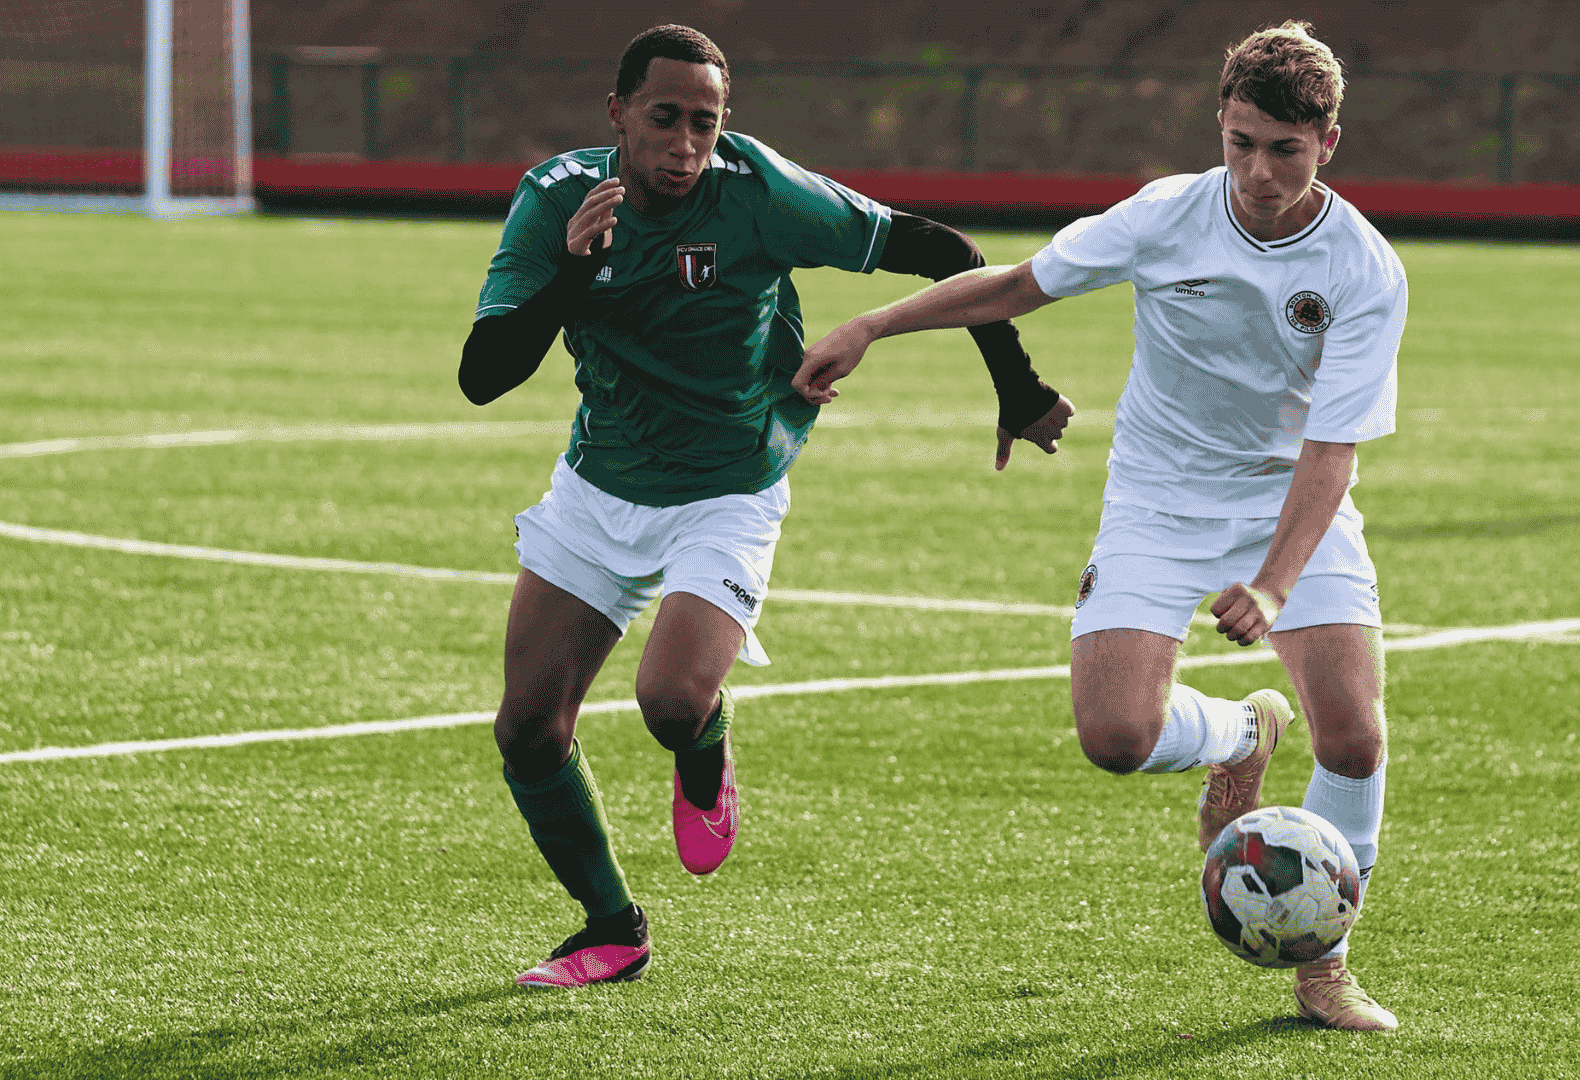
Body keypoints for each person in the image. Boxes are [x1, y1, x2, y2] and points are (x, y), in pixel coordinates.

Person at [795, 22, 1404, 1032]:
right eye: (1242, 142)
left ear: (1328, 142)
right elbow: (1018, 283)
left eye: (1284, 150)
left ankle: (1324, 964)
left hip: (1282, 499)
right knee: (1116, 738)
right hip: (1158, 498)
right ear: (1222, 123)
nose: (1258, 170)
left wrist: (1274, 585)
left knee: (1354, 733)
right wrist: (872, 326)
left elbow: (1331, 454)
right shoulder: (1167, 213)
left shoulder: (1362, 268)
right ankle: (1239, 734)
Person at [459, 24, 1074, 989]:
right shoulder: (555, 200)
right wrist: (573, 274)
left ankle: (702, 746)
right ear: (617, 114)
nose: (686, 143)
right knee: (526, 732)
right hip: (600, 486)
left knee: (669, 702)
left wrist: (1017, 384)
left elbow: (940, 248)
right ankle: (611, 928)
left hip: (729, 485)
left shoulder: (758, 190)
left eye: (705, 122)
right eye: (665, 119)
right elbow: (483, 377)